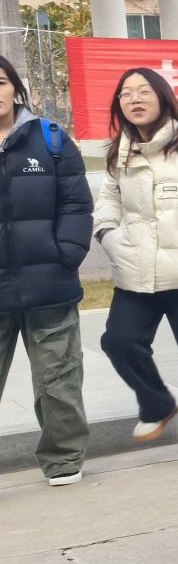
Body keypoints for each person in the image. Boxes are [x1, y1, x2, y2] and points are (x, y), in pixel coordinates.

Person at [93, 67, 178, 458]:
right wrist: (107, 234)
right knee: (119, 341)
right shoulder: (118, 152)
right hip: (135, 267)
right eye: (126, 93)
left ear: (163, 97)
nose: (134, 99)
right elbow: (109, 199)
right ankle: (156, 403)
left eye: (144, 91)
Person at [0, 54, 90, 485]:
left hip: (48, 283)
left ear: (14, 87)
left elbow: (75, 202)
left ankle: (63, 459)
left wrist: (65, 254)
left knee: (59, 377)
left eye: (0, 82)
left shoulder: (51, 138)